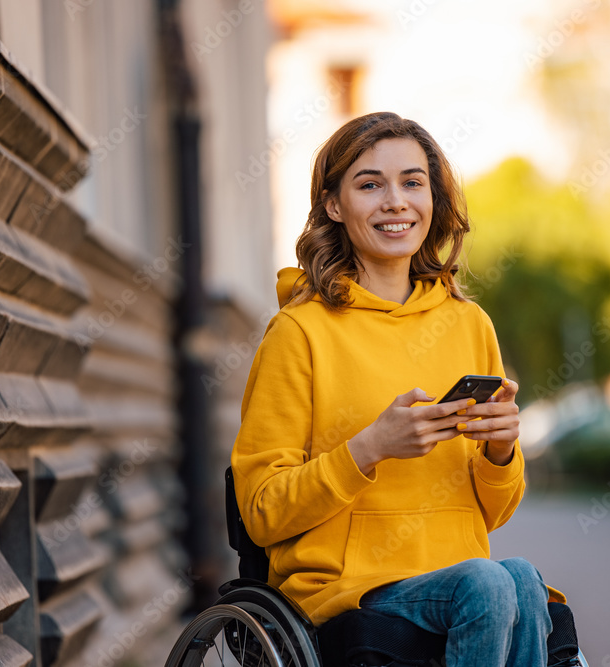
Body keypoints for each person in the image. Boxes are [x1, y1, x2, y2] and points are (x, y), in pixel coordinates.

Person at [231, 111, 565, 666]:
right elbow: (263, 512)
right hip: (346, 588)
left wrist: (501, 451)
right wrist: (370, 448)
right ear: (334, 205)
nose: (396, 201)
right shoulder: (299, 332)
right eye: (370, 184)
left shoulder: (468, 323)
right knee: (490, 584)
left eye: (413, 182)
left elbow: (496, 512)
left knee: (521, 579)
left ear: (434, 199)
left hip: (463, 579)